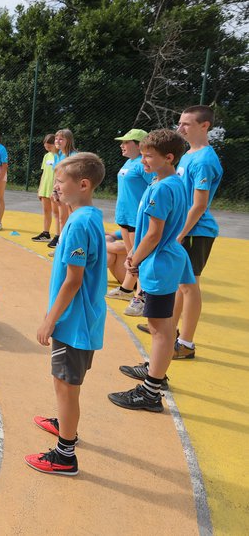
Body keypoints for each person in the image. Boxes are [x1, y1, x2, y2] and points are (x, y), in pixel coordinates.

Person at [26, 152, 106, 476]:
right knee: (66, 387)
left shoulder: (78, 225)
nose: (55, 187)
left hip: (72, 324)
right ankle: (64, 422)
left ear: (83, 184)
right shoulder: (87, 216)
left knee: (65, 386)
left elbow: (73, 281)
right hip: (80, 321)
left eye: (61, 182)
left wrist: (49, 319)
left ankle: (65, 455)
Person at [109, 129, 193, 411]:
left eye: (148, 156)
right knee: (164, 325)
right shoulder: (173, 182)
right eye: (142, 155)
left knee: (159, 329)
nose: (143, 161)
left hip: (158, 262)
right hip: (166, 259)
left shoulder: (162, 188)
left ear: (168, 158)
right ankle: (155, 370)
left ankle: (150, 391)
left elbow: (153, 233)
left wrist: (134, 259)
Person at [138, 105, 222, 360]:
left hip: (196, 231)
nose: (180, 127)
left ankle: (185, 342)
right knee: (177, 284)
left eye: (186, 123)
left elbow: (199, 204)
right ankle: (169, 330)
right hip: (182, 229)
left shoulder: (205, 159)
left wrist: (179, 233)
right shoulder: (188, 155)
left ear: (204, 126)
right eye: (180, 122)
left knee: (189, 285)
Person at [106, 129, 152, 304]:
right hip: (124, 218)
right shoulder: (129, 163)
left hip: (137, 219)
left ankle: (140, 296)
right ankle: (126, 289)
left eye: (126, 142)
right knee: (131, 256)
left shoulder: (143, 165)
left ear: (139, 145)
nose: (122, 145)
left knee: (138, 257)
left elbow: (154, 188)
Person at [46, 128, 77, 249]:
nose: (57, 141)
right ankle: (61, 244)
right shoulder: (58, 155)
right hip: (60, 189)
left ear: (68, 140)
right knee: (61, 218)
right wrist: (54, 190)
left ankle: (66, 245)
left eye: (61, 139)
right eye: (56, 139)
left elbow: (75, 175)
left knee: (67, 218)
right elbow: (57, 174)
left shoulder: (73, 156)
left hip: (69, 190)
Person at [32, 134, 59, 243]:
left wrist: (56, 189)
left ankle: (58, 236)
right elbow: (44, 173)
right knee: (46, 210)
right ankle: (45, 233)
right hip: (45, 187)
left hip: (54, 188)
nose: (47, 148)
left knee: (56, 213)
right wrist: (40, 188)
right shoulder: (46, 156)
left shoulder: (59, 156)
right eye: (46, 146)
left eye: (49, 146)